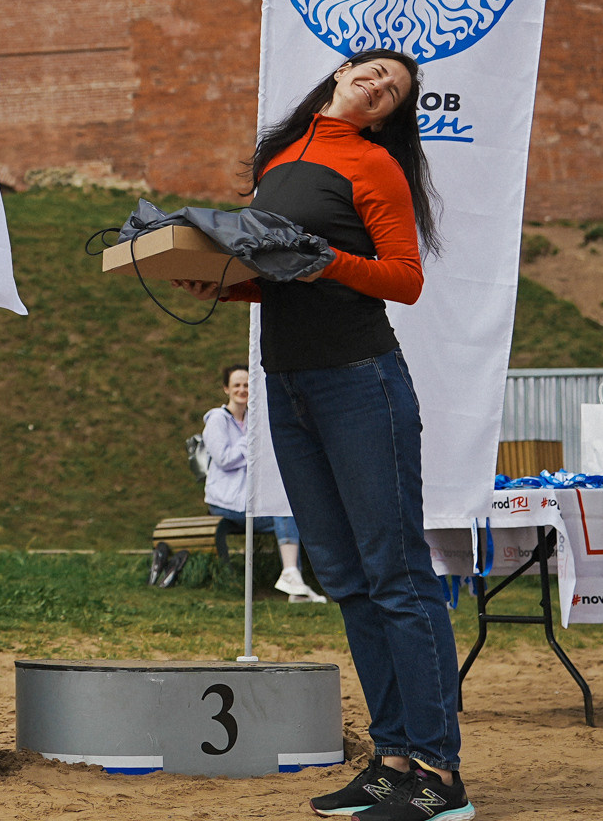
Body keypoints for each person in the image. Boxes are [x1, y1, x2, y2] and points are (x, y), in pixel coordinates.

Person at [181, 49, 466, 821]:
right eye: (370, 72)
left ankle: (440, 775)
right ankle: (391, 761)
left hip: (359, 379)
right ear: (342, 76)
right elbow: (277, 273)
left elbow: (403, 277)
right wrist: (220, 279)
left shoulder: (373, 165)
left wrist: (327, 260)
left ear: (387, 115)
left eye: (392, 91)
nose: (376, 85)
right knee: (343, 576)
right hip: (291, 384)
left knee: (397, 574)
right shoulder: (279, 157)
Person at [199, 363, 326, 602]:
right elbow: (224, 459)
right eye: (236, 385)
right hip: (225, 502)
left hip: (250, 501)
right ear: (226, 388)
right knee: (283, 511)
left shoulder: (253, 419)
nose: (242, 389)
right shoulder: (217, 419)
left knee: (288, 511)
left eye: (247, 385)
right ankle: (292, 577)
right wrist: (252, 439)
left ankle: (294, 581)